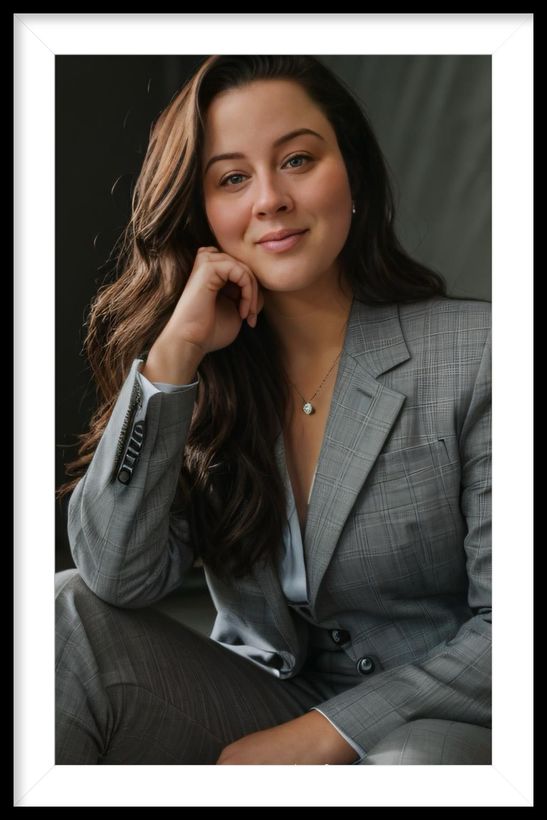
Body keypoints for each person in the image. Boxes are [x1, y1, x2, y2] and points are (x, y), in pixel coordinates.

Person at [55, 55, 491, 765]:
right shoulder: (203, 379)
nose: (269, 199)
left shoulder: (480, 353)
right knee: (64, 611)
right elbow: (114, 575)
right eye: (232, 178)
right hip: (256, 696)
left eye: (296, 160)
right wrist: (174, 361)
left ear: (350, 170)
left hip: (438, 719)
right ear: (202, 214)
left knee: (413, 765)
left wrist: (316, 739)